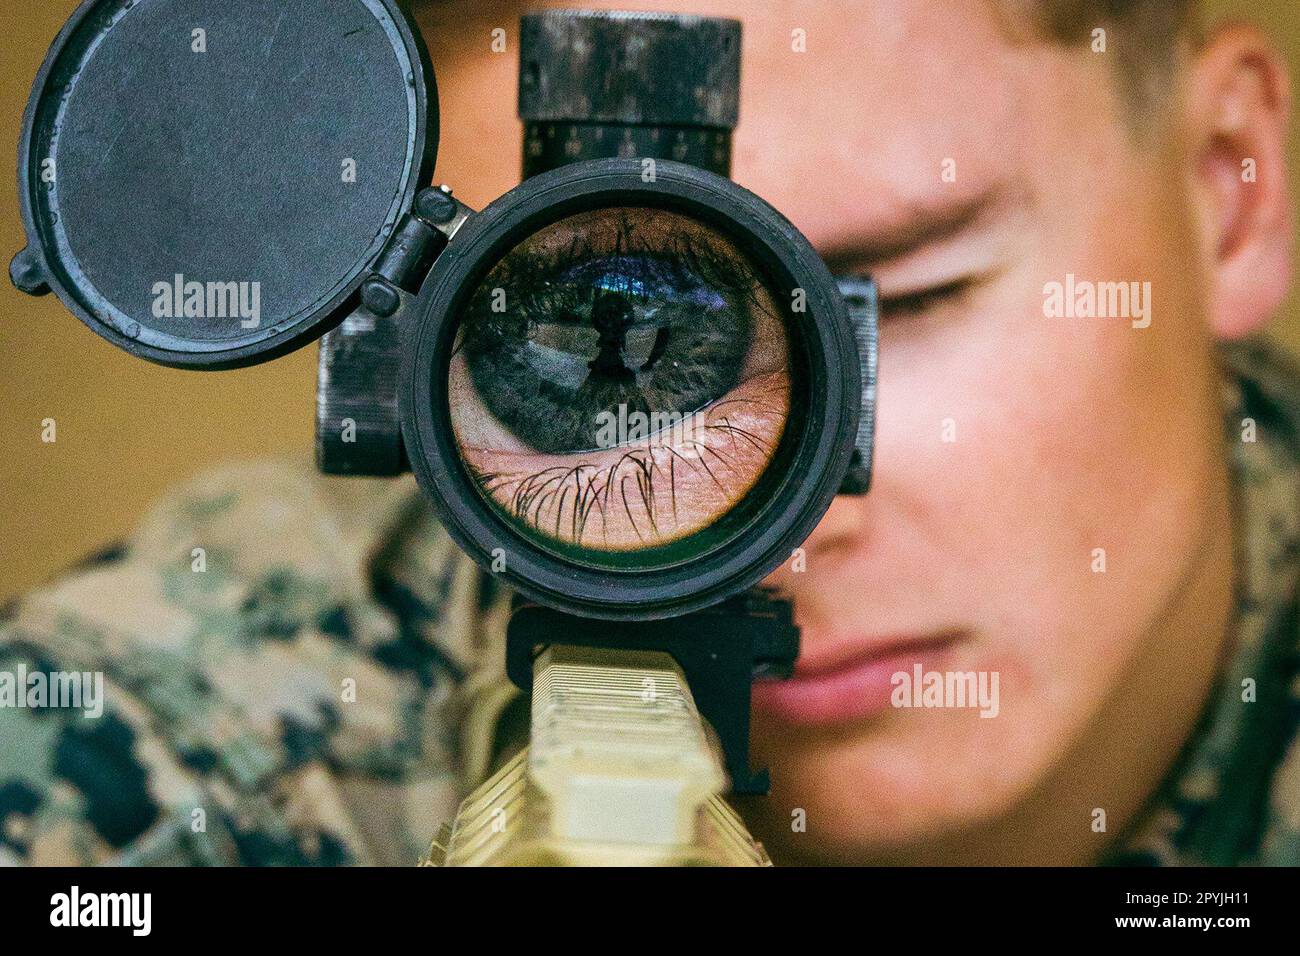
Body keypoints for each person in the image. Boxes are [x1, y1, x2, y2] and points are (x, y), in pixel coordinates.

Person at [2, 0, 1297, 866]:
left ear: (1227, 187)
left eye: (900, 301)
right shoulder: (192, 730)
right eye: (564, 348)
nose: (765, 536)